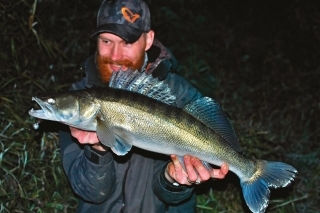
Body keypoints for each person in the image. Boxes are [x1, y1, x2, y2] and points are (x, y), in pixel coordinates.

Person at [59, 0, 229, 212]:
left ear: (148, 40)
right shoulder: (78, 100)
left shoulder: (179, 95)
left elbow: (172, 197)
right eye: (106, 41)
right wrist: (97, 149)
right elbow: (89, 192)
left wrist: (173, 179)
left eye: (127, 42)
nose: (115, 55)